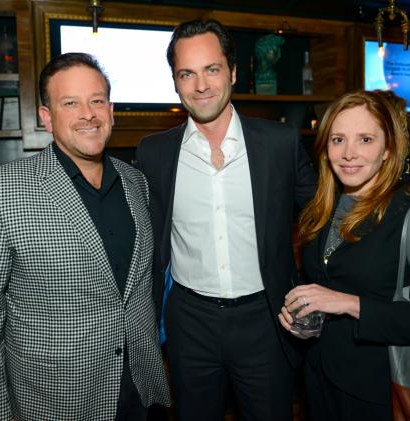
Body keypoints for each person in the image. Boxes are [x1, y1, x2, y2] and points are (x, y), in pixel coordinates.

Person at [0, 53, 170, 421]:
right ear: (46, 117)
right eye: (70, 103)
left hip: (139, 392)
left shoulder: (136, 183)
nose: (88, 113)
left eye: (97, 100)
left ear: (111, 110)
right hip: (59, 402)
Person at [136, 19, 317, 421]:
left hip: (267, 320)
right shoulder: (154, 153)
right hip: (189, 323)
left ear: (233, 73)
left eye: (211, 69)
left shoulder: (278, 143)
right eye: (187, 73)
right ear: (175, 82)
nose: (200, 85)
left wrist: (317, 292)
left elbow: (322, 221)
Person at [279, 90, 410, 420]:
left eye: (365, 139)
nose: (348, 153)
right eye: (338, 139)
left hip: (380, 392)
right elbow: (323, 284)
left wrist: (347, 303)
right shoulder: (321, 211)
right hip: (320, 381)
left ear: (388, 148)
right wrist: (306, 326)